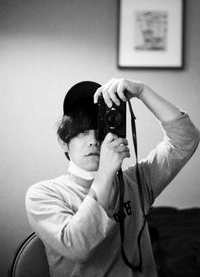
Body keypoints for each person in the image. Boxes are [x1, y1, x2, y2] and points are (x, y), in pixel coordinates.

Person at [25, 78, 199, 277]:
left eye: (100, 133)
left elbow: (186, 139)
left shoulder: (136, 183)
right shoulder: (44, 194)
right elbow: (78, 247)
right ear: (64, 142)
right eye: (81, 132)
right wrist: (105, 173)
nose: (93, 142)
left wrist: (143, 91)